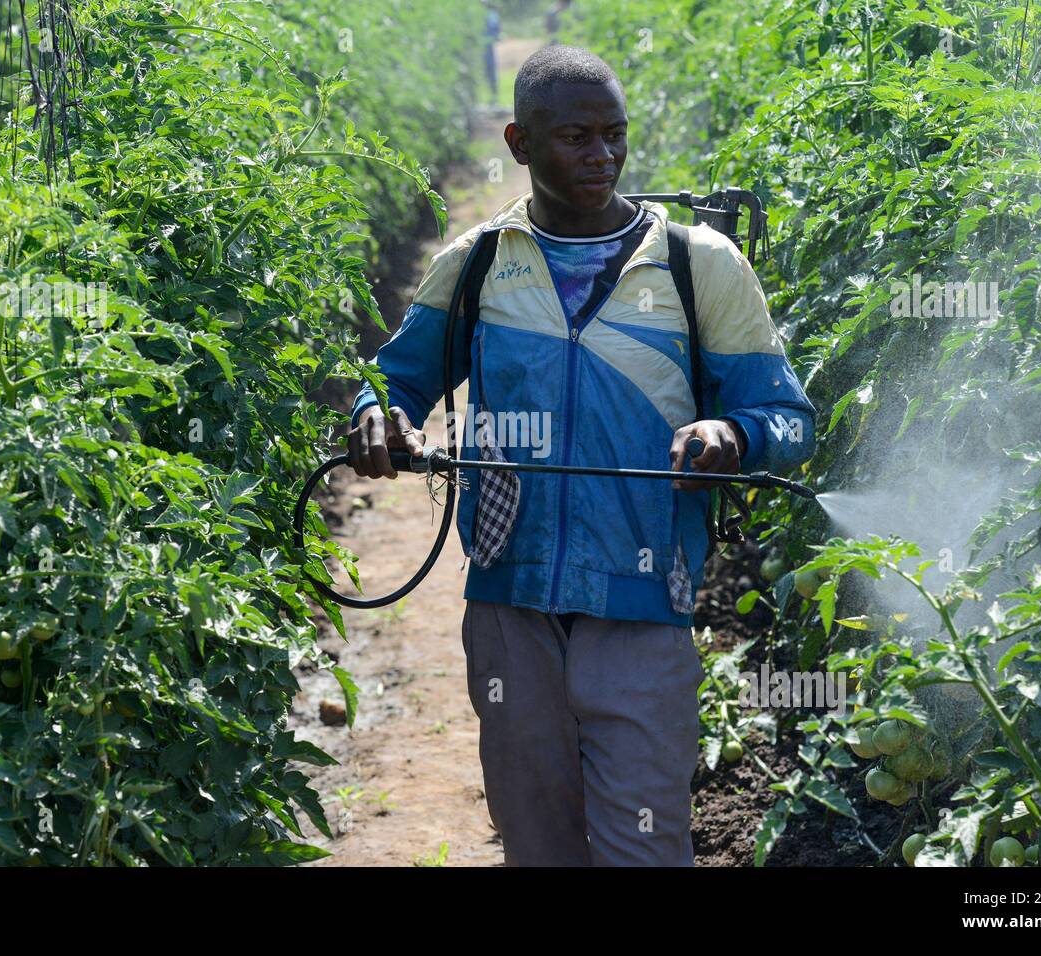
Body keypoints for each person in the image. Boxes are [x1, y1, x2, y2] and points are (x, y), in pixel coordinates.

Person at [346, 45, 816, 866]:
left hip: (643, 608)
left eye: (614, 136)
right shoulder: (482, 263)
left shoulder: (695, 266)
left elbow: (786, 417)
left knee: (646, 849)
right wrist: (379, 421)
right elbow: (394, 381)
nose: (601, 156)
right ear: (520, 143)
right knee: (538, 847)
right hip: (509, 609)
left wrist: (731, 436)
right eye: (575, 138)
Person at [483, 1, 501, 104]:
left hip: (488, 48)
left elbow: (496, 31)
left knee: (491, 72)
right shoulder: (491, 15)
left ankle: (494, 97)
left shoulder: (491, 15)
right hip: (481, 48)